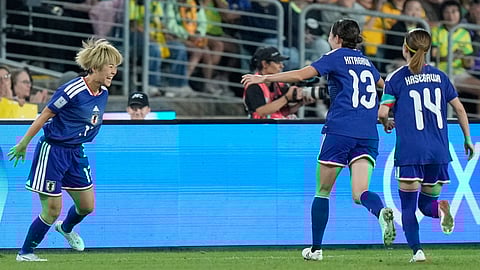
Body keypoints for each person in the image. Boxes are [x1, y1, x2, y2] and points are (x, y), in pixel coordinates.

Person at [242, 19, 395, 260]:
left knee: (323, 191)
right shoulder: (367, 63)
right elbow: (386, 88)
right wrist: (384, 115)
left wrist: (265, 78)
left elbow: (303, 74)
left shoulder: (335, 56)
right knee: (360, 193)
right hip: (368, 134)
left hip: (339, 131)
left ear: (337, 38)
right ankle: (380, 211)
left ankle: (315, 249)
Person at [8, 38, 123, 262]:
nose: (114, 72)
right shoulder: (72, 89)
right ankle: (26, 253)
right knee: (52, 209)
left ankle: (67, 228)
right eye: (110, 66)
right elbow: (45, 115)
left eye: (116, 67)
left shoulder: (103, 94)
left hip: (76, 152)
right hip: (53, 151)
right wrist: (24, 143)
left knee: (87, 206)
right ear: (96, 66)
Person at [378, 28, 475, 263]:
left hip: (411, 151)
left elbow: (383, 111)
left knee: (410, 207)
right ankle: (441, 210)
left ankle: (417, 252)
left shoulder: (396, 78)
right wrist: (467, 139)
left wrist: (386, 122)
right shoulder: (441, 77)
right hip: (439, 151)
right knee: (426, 203)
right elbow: (460, 109)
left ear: (404, 49)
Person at [243, 46, 314, 119]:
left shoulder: (278, 84)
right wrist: (286, 98)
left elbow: (280, 112)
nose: (282, 66)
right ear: (265, 64)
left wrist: (300, 104)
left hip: (274, 125)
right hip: (258, 127)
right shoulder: (253, 85)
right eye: (277, 62)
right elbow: (261, 112)